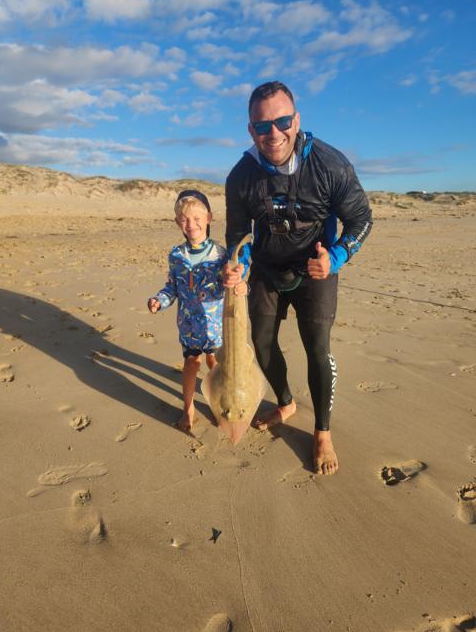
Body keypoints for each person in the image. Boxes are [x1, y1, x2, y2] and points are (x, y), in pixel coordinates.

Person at [223, 81, 372, 475]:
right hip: (267, 269)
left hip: (315, 268)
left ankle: (322, 432)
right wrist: (237, 263)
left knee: (317, 348)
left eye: (283, 121)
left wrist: (336, 257)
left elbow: (361, 218)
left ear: (297, 120)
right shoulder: (240, 176)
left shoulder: (330, 164)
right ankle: (286, 402)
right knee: (261, 343)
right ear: (250, 129)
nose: (274, 133)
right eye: (262, 125)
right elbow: (237, 234)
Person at [148, 189, 246, 431]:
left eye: (197, 218)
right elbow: (172, 287)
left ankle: (219, 405)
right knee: (191, 364)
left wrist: (242, 285)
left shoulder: (220, 255)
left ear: (209, 218)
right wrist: (160, 300)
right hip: (189, 327)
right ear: (177, 222)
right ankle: (188, 409)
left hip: (214, 328)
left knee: (215, 365)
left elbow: (234, 284)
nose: (191, 225)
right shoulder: (176, 255)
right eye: (184, 220)